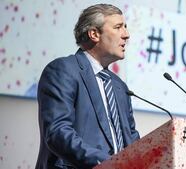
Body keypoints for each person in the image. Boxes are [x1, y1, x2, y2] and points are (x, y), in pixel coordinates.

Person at [36, 4, 140, 168]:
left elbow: (132, 141)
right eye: (118, 27)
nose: (126, 35)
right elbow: (58, 132)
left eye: (125, 27)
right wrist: (107, 164)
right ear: (94, 34)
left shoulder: (120, 87)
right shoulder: (63, 70)